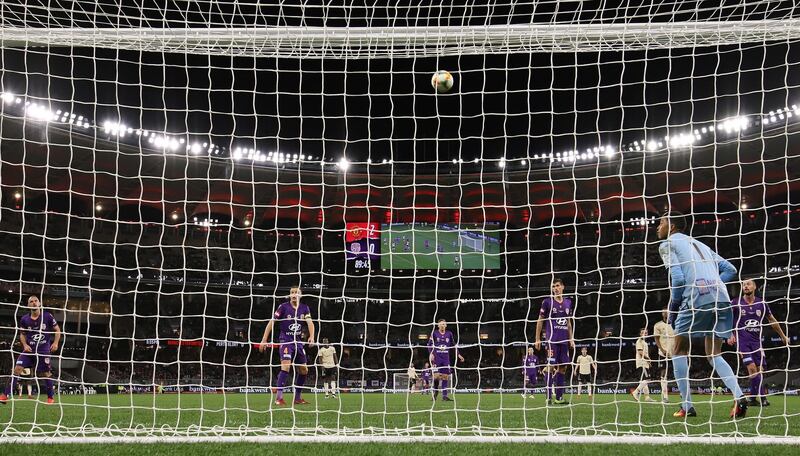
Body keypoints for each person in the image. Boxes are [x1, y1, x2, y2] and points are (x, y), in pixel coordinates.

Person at [657, 211, 747, 418]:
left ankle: (687, 406)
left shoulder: (668, 244)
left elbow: (678, 280)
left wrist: (674, 305)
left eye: (661, 223)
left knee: (679, 349)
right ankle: (740, 398)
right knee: (714, 354)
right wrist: (713, 285)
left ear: (671, 227)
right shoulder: (701, 245)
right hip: (722, 298)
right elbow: (731, 269)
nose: (657, 227)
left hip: (695, 299)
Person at [728, 279, 789, 406]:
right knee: (751, 368)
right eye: (743, 284)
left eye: (748, 284)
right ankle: (763, 398)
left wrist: (783, 336)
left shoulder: (761, 303)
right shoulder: (735, 303)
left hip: (757, 342)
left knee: (760, 370)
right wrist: (729, 334)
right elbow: (725, 318)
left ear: (755, 287)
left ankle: (752, 398)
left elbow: (772, 320)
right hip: (742, 341)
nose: (745, 286)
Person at [260, 286, 315, 406]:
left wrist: (312, 336)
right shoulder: (283, 307)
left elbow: (310, 322)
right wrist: (264, 339)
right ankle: (279, 398)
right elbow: (272, 322)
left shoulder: (304, 308)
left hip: (298, 342)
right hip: (285, 340)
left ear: (300, 295)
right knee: (286, 366)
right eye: (292, 292)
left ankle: (297, 398)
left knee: (304, 370)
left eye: (296, 292)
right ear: (290, 295)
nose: (294, 294)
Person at [0, 295, 61, 405]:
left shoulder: (47, 316)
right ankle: (5, 395)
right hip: (29, 351)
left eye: (35, 301)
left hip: (43, 351)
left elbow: (57, 330)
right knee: (17, 369)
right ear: (28, 305)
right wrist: (24, 345)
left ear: (39, 303)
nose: (33, 303)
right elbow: (22, 334)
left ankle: (50, 397)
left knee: (45, 373)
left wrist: (55, 342)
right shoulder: (24, 319)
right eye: (31, 301)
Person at [534, 278, 575, 405]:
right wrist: (537, 338)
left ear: (563, 287)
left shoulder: (568, 302)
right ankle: (548, 397)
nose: (555, 288)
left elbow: (568, 323)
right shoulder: (547, 302)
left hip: (564, 341)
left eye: (557, 286)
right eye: (553, 286)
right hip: (552, 341)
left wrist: (571, 338)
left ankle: (559, 397)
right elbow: (540, 320)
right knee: (551, 367)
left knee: (563, 368)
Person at [428, 319, 465, 401]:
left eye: (444, 324)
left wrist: (458, 354)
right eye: (440, 324)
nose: (442, 325)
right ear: (438, 325)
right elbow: (429, 344)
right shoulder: (434, 333)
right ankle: (435, 392)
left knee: (445, 377)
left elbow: (453, 345)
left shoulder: (449, 334)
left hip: (445, 358)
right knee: (436, 376)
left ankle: (444, 396)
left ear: (446, 325)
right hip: (436, 358)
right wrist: (431, 353)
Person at [653, 308, 675, 403]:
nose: (666, 313)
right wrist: (662, 349)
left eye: (667, 311)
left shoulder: (675, 323)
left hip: (675, 353)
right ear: (662, 314)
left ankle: (683, 394)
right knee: (663, 374)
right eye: (664, 311)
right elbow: (656, 339)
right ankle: (665, 396)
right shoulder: (658, 325)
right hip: (663, 354)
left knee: (679, 373)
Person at [632, 328, 655, 402]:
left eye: (646, 333)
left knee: (644, 381)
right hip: (642, 363)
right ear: (640, 334)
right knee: (647, 379)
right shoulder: (639, 341)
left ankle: (647, 397)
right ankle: (636, 392)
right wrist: (648, 359)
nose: (645, 334)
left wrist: (648, 362)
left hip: (645, 363)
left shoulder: (644, 342)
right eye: (643, 333)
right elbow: (640, 352)